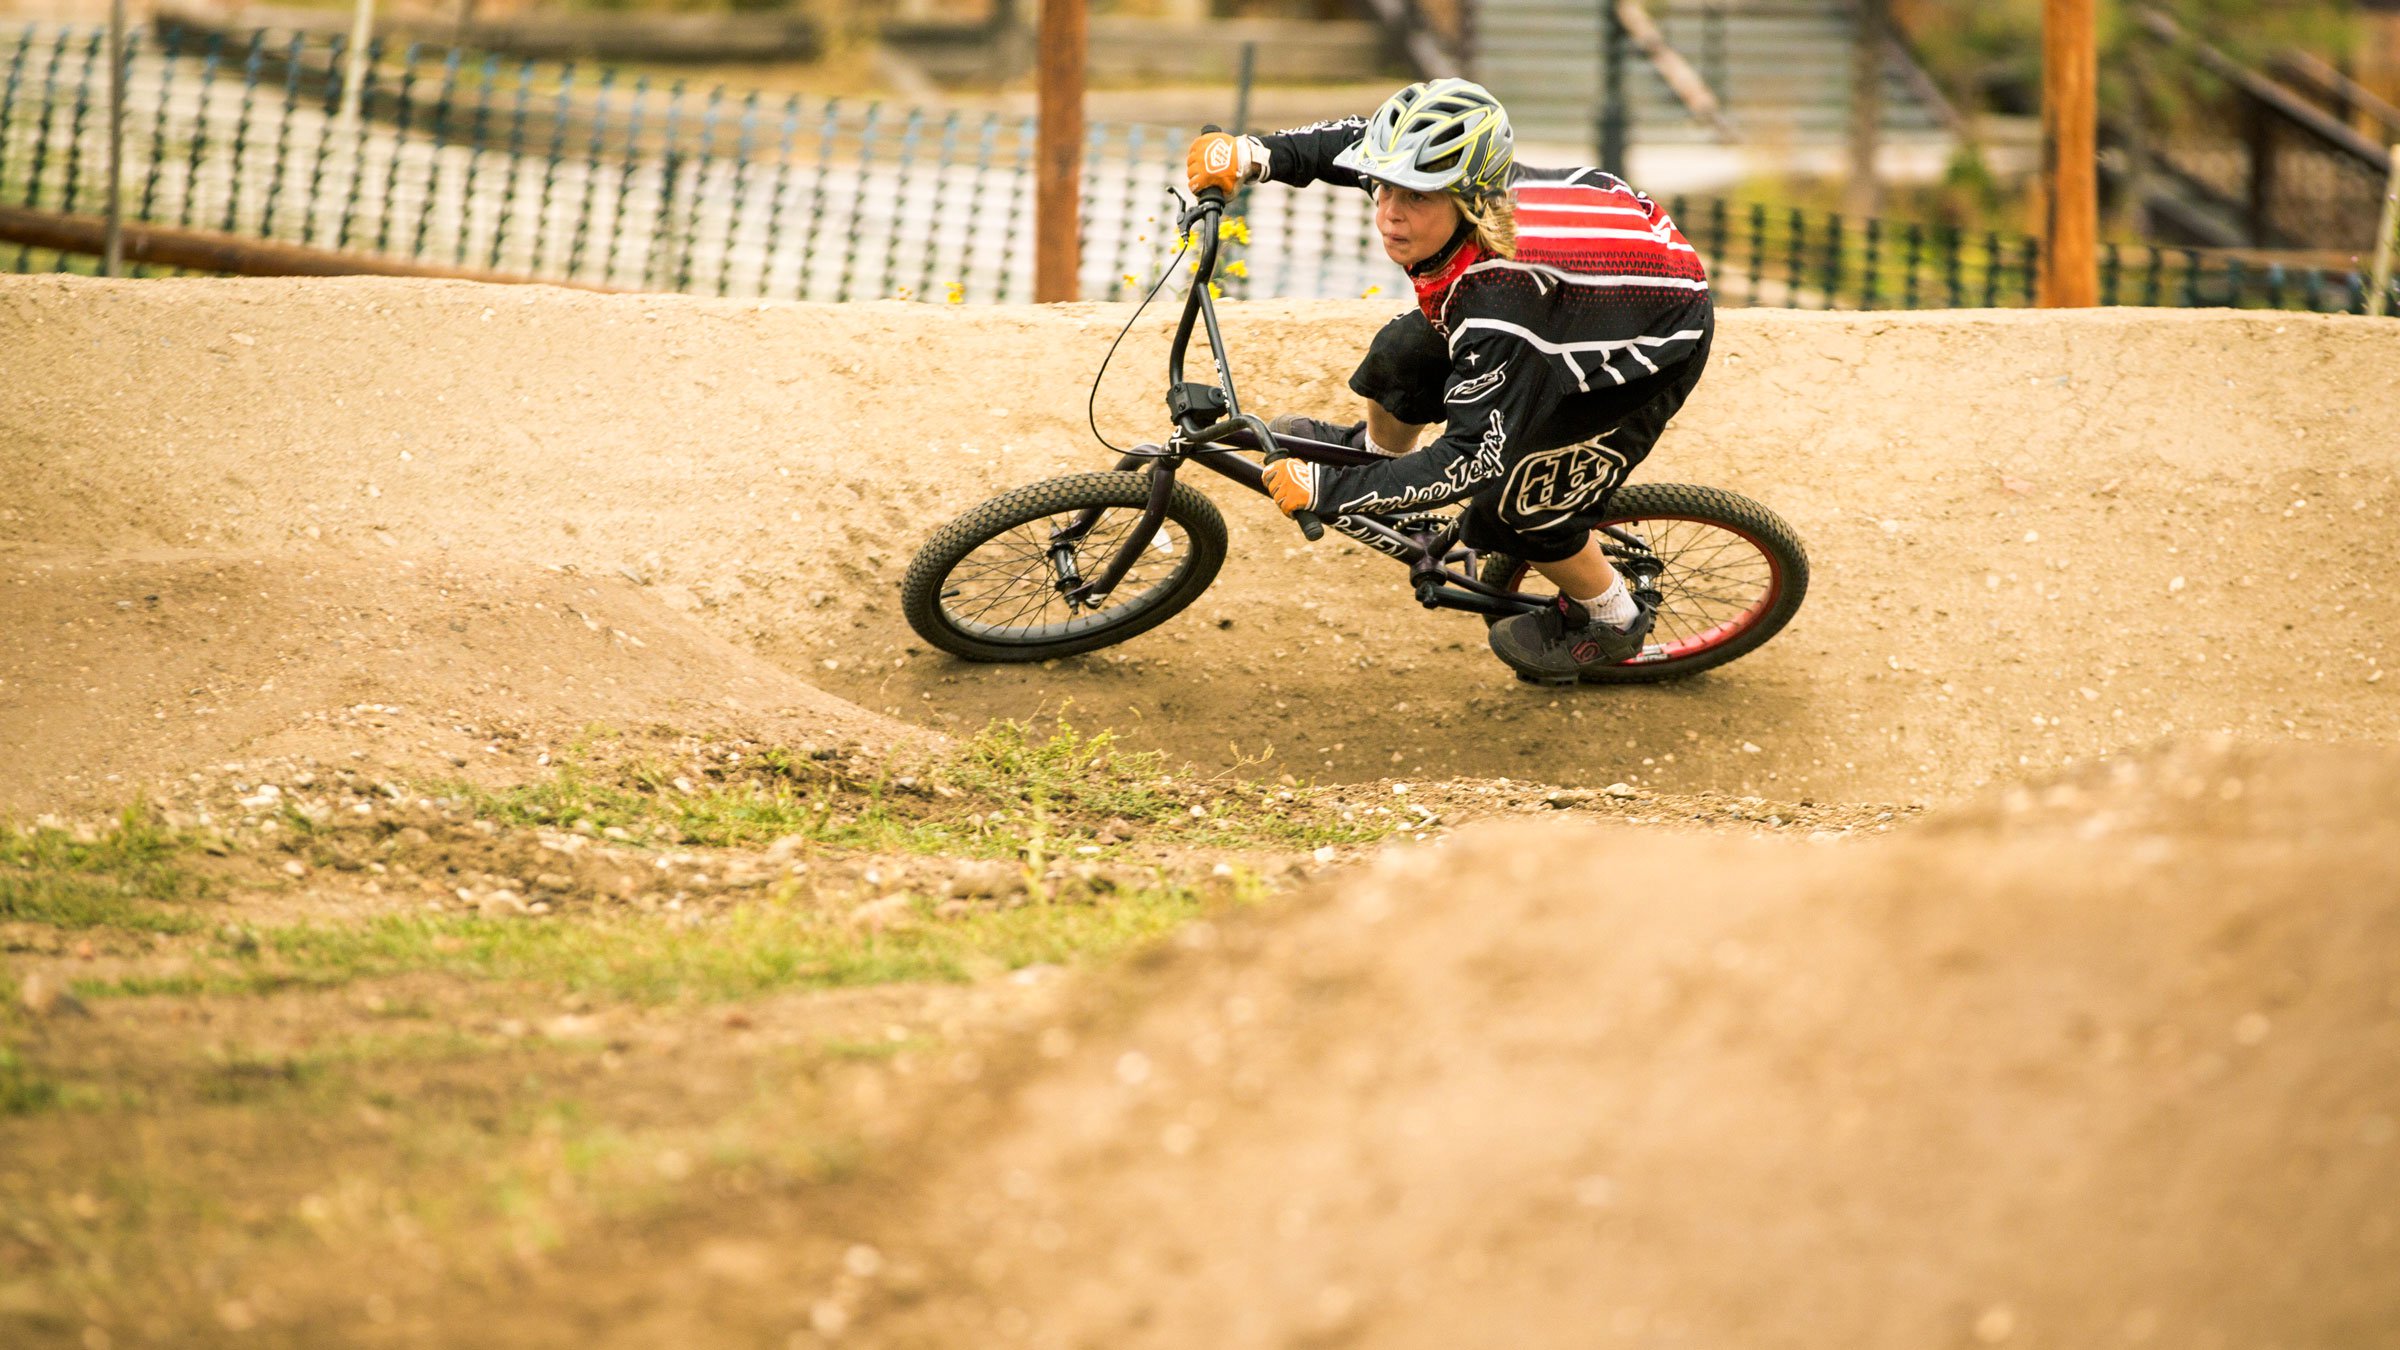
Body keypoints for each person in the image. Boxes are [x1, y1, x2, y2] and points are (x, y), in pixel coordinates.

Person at [1183, 79, 1712, 681]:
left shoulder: (1500, 304)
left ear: (1468, 201)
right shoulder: (1445, 188)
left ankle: (1613, 619)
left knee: (1515, 502)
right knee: (1403, 351)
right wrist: (1256, 154)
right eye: (1383, 186)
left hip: (1648, 345)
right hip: (1588, 289)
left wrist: (1328, 491)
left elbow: (1470, 460)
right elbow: (1356, 144)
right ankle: (1377, 458)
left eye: (1413, 196)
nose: (1388, 212)